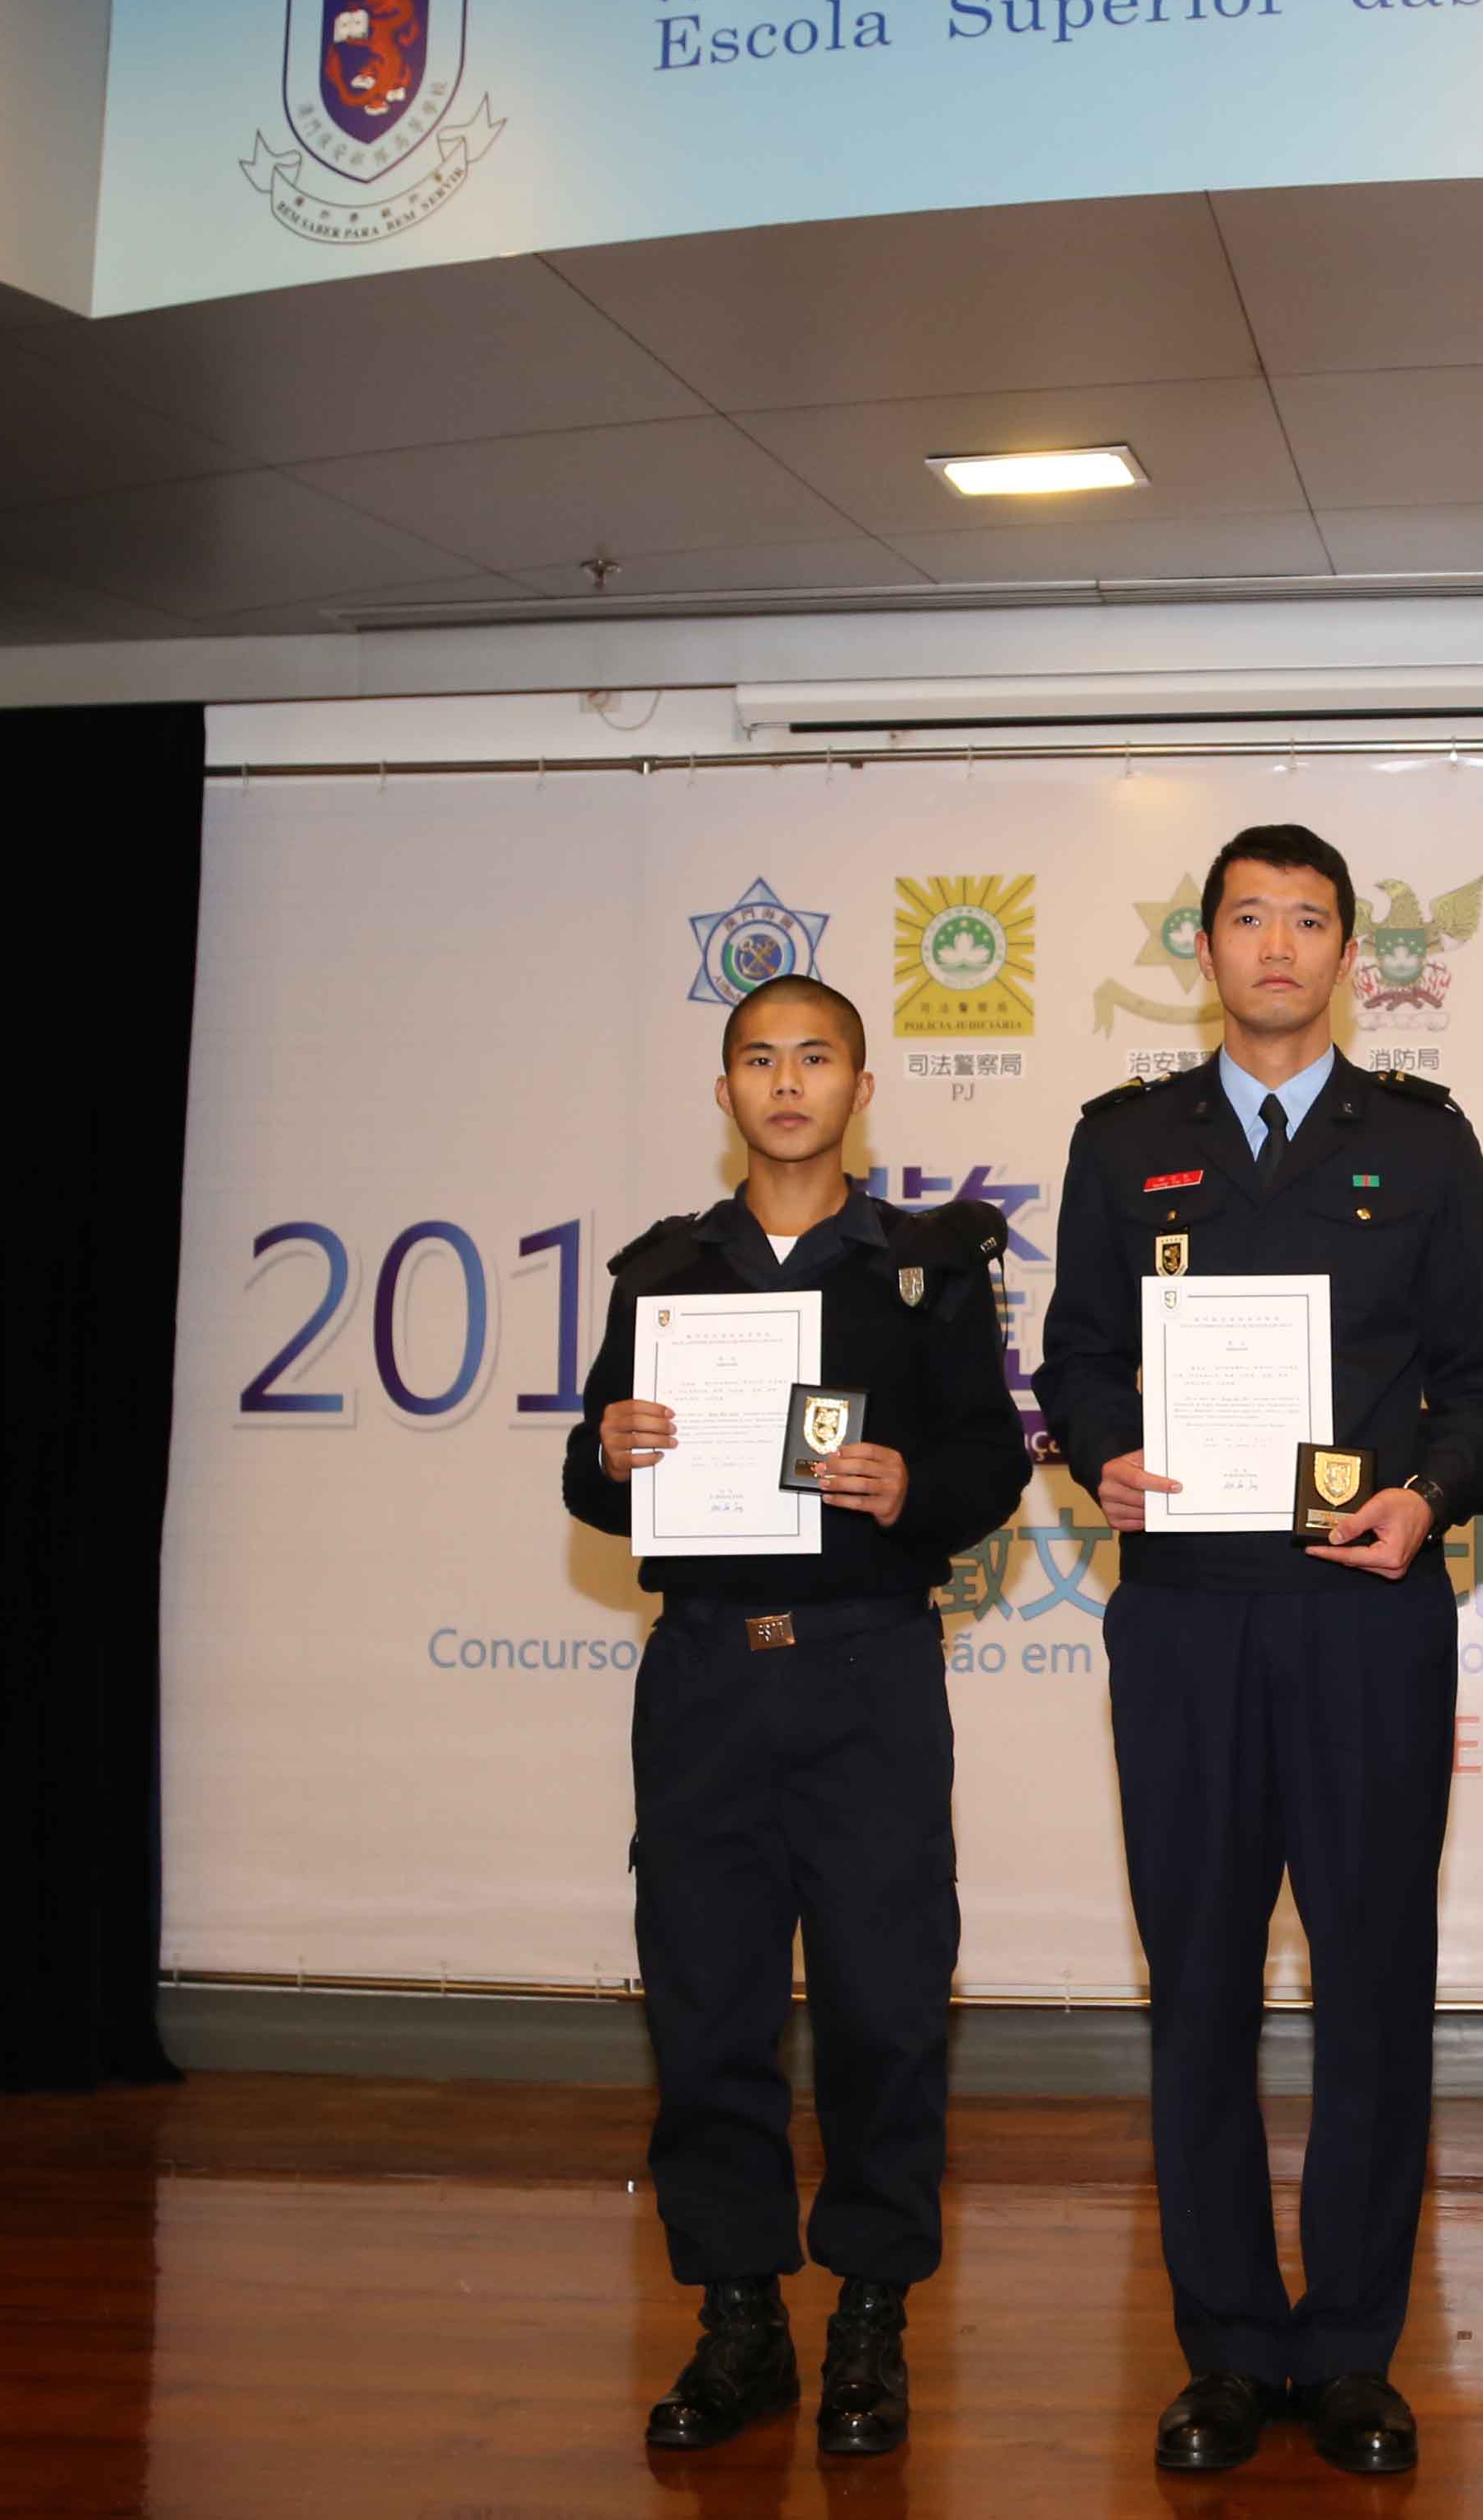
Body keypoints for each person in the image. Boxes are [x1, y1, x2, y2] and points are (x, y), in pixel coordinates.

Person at [1033, 823, 1483, 2477]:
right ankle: (1232, 2346)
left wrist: (1429, 1497)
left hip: (1365, 1616)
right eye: (1249, 917)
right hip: (1185, 1618)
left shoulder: (1425, 1144)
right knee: (1198, 1989)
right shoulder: (1126, 1142)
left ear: (1348, 955)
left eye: (1309, 920)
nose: (1278, 946)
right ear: (1207, 946)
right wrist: (1101, 1450)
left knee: (1374, 1981)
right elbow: (1077, 1356)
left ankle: (1355, 2350)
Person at [562, 972, 1032, 2460]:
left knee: (886, 2009)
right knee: (708, 2006)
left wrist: (915, 1489)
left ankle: (872, 2320)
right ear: (724, 1093)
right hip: (706, 1675)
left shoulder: (927, 1268)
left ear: (859, 1087)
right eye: (759, 1059)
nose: (786, 1083)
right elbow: (592, 1481)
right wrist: (606, 1447)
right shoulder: (664, 1273)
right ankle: (740, 2320)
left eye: (814, 1058)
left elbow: (993, 1463)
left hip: (864, 1669)